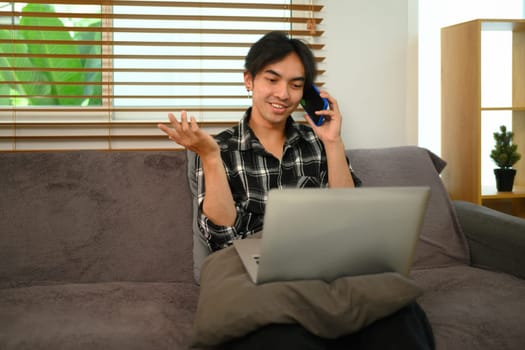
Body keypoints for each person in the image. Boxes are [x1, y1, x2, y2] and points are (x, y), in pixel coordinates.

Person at [158, 31, 434, 350]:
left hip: (319, 259)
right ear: (249, 80)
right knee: (281, 335)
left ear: (306, 92)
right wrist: (210, 157)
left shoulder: (317, 142)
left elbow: (351, 215)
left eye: (295, 84)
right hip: (249, 265)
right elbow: (220, 236)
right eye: (272, 79)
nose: (283, 94)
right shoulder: (218, 147)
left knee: (396, 315)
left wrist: (332, 141)